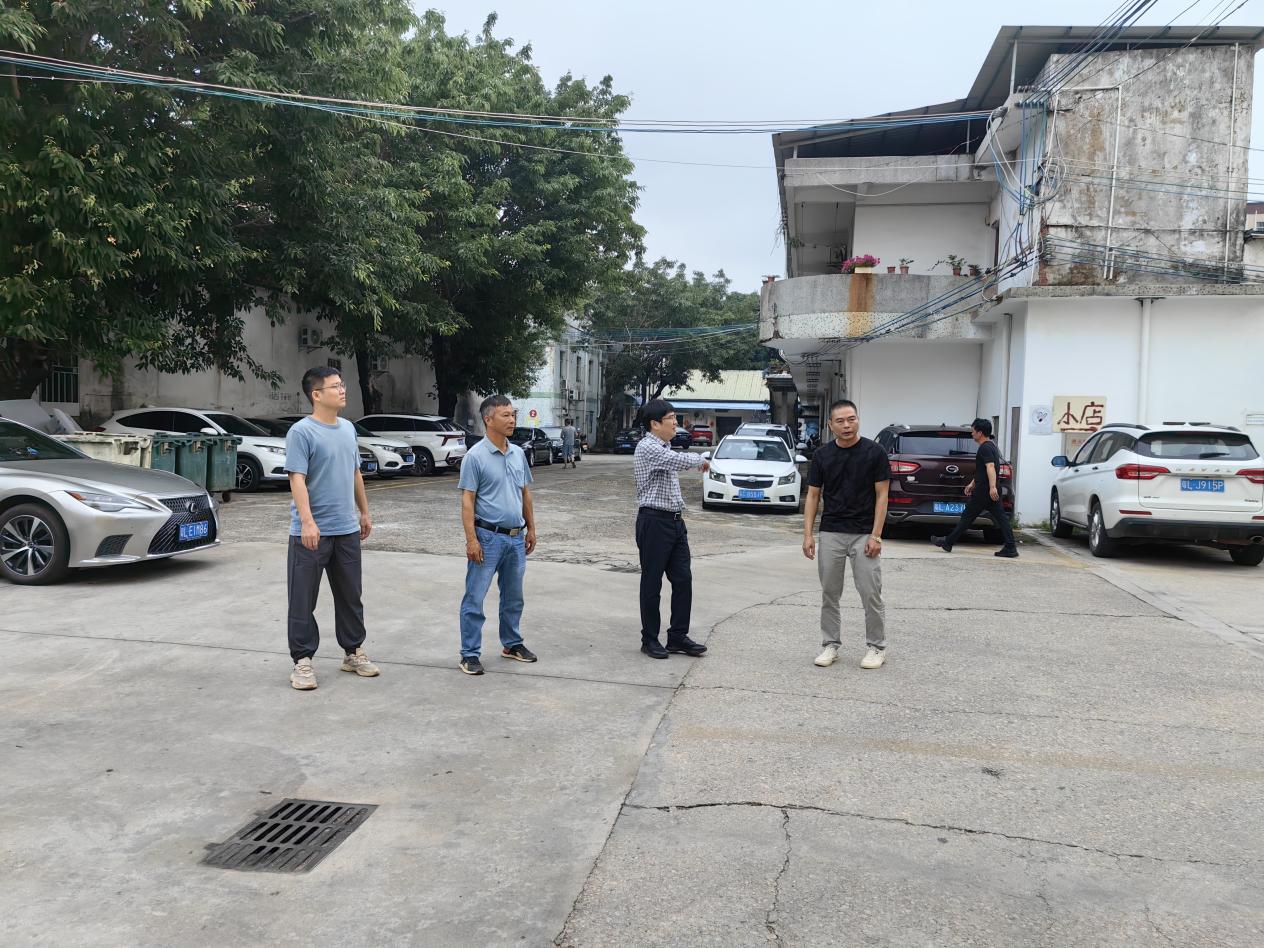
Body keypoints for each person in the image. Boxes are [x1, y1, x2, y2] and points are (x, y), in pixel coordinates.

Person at [285, 366, 379, 691]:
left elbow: (355, 472)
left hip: (346, 528)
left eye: (342, 385)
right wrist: (307, 521)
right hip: (311, 532)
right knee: (302, 599)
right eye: (335, 386)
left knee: (351, 596)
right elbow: (296, 478)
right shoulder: (301, 432)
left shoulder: (348, 429)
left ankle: (353, 652)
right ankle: (302, 661)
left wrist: (364, 512)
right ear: (316, 394)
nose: (342, 390)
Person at [802, 399, 890, 670]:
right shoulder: (822, 455)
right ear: (831, 425)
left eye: (851, 419)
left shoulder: (875, 452)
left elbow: (882, 495)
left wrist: (876, 535)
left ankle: (876, 647)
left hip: (864, 533)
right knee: (830, 593)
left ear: (858, 420)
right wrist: (808, 535)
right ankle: (830, 644)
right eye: (840, 421)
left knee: (870, 592)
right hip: (831, 532)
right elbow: (813, 495)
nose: (847, 425)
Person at [457, 394, 539, 675]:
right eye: (505, 415)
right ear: (488, 419)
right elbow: (468, 500)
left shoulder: (517, 454)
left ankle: (512, 643)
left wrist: (531, 528)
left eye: (513, 414)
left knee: (514, 597)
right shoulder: (475, 457)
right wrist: (472, 540)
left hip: (516, 538)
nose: (512, 420)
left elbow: (525, 493)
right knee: (475, 597)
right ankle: (469, 654)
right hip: (488, 538)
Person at [633, 399, 710, 659]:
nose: (676, 423)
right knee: (652, 583)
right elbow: (676, 461)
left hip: (675, 522)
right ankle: (649, 639)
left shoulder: (664, 446)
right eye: (671, 418)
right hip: (654, 522)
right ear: (655, 424)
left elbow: (673, 459)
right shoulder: (648, 447)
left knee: (683, 580)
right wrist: (700, 459)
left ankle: (677, 636)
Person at [932, 418, 1018, 557]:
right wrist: (972, 484)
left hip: (984, 491)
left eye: (973, 431)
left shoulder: (985, 448)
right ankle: (1010, 546)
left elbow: (990, 467)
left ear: (980, 433)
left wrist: (991, 487)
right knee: (1000, 518)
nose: (972, 434)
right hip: (987, 489)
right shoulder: (991, 446)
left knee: (968, 517)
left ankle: (948, 542)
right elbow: (982, 470)